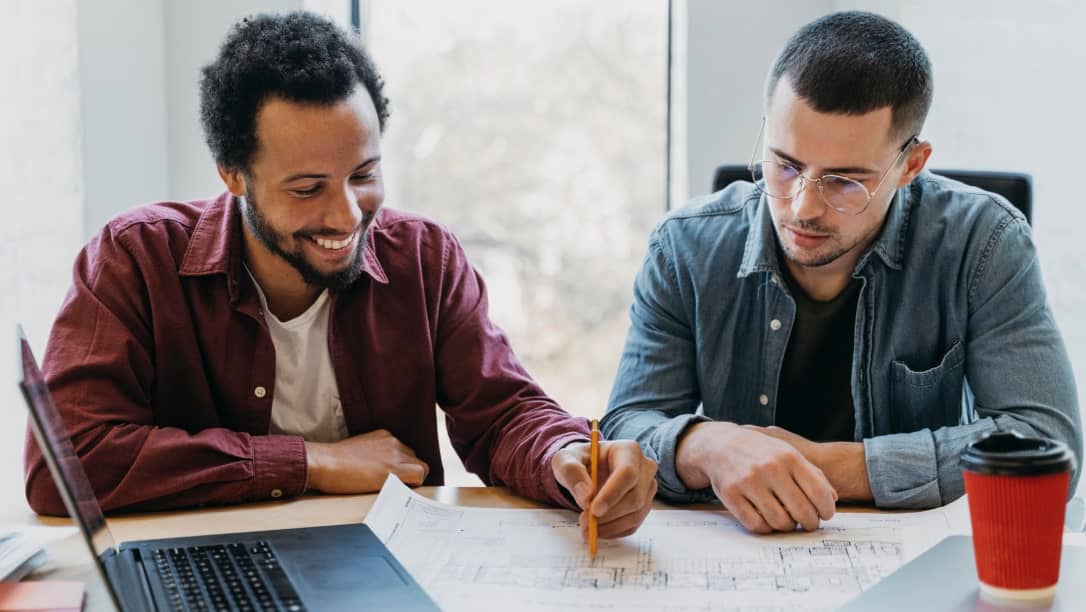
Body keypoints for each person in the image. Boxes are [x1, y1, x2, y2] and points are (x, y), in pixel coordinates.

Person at [25, 11, 657, 540]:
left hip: (389, 563)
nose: (347, 215)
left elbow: (501, 414)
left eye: (363, 175)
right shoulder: (135, 258)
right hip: (212, 560)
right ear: (233, 175)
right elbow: (65, 464)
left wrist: (565, 457)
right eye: (307, 188)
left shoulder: (425, 258)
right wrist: (311, 463)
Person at [602, 11, 1081, 534]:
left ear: (910, 165)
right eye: (785, 165)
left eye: (844, 181)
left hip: (913, 562)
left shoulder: (984, 242)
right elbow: (628, 426)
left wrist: (829, 466)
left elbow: (1046, 446)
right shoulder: (684, 246)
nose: (803, 207)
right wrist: (710, 445)